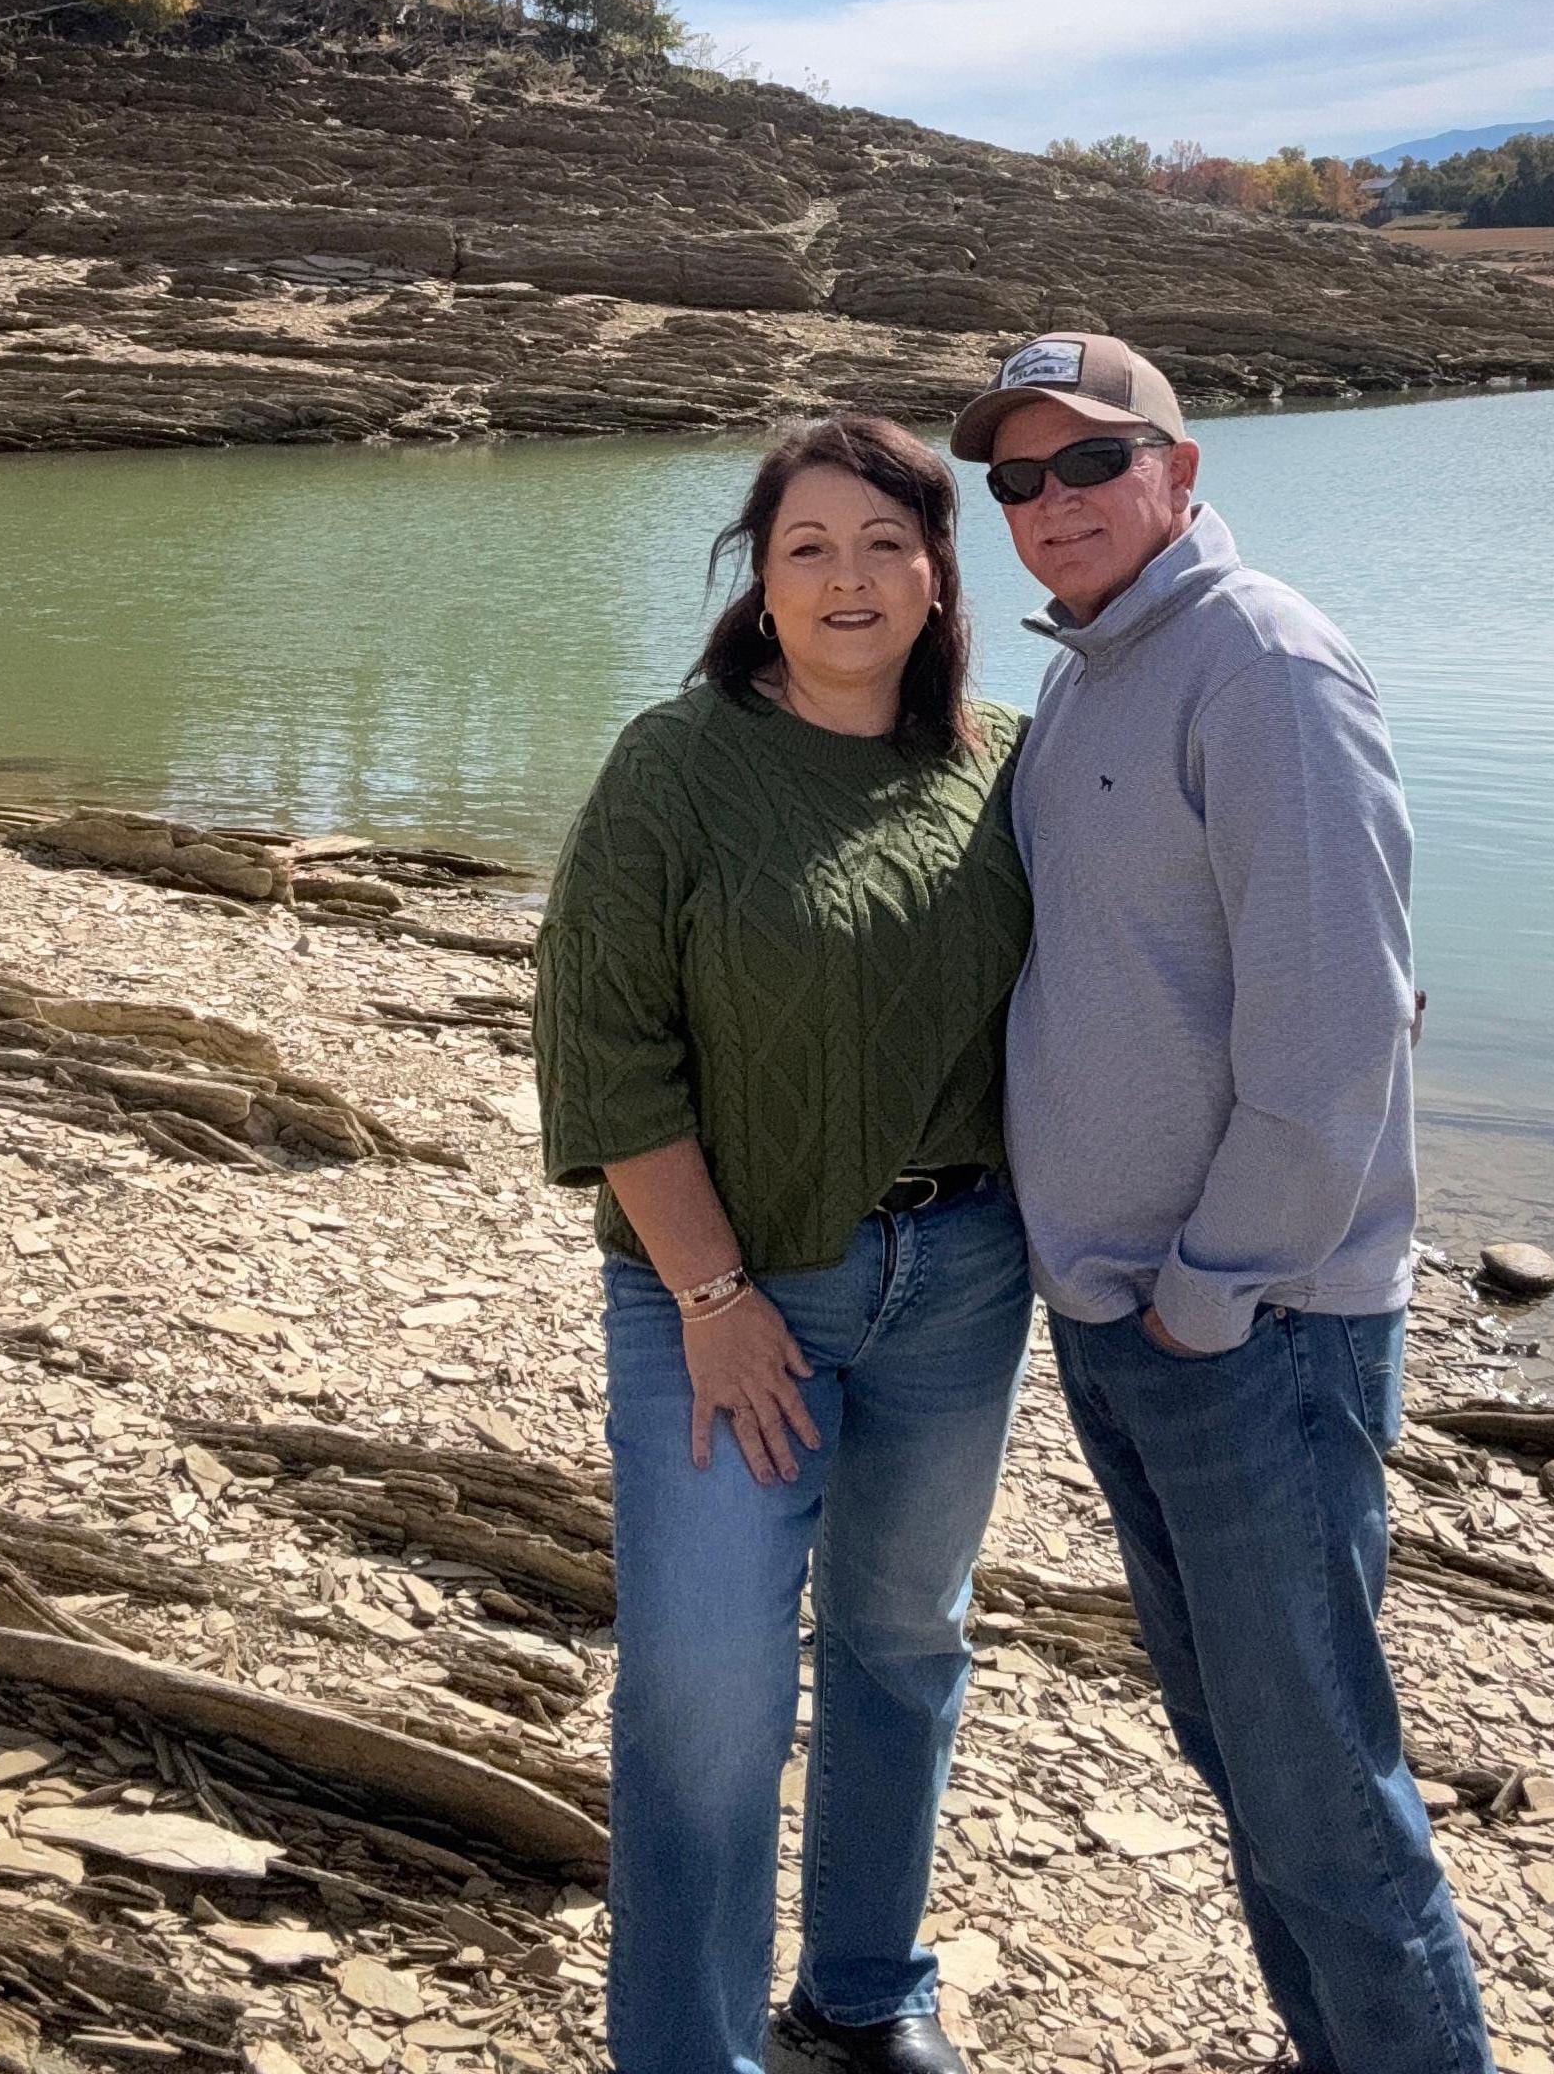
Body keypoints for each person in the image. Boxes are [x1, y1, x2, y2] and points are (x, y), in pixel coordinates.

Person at [951, 334, 1497, 2074]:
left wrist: (1213, 1291)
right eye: (1017, 479)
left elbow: (1338, 1034)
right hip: (1126, 1317)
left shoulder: (1264, 666)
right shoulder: (1089, 676)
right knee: (1241, 1756)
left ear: (1180, 474)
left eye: (1091, 462)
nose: (1052, 503)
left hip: (1254, 1330)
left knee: (1321, 1786)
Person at [533, 413, 1032, 2074]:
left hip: (961, 1284)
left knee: (906, 1645)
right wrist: (714, 1293)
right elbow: (604, 1053)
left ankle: (866, 1992)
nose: (849, 578)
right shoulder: (674, 767)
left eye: (888, 543)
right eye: (810, 547)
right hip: (725, 1292)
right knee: (705, 1693)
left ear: (939, 572)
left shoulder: (1008, 765)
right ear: (759, 578)